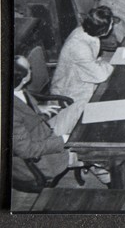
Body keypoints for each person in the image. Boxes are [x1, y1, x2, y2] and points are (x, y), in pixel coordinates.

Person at [12, 55, 91, 186]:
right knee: (94, 152)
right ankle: (109, 180)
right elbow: (27, 150)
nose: (32, 69)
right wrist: (63, 140)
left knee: (81, 105)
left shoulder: (15, 88)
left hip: (43, 129)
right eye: (29, 68)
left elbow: (24, 107)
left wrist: (38, 108)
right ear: (23, 78)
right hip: (42, 159)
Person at [50, 6, 117, 105]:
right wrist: (105, 64)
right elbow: (101, 76)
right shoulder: (80, 48)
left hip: (82, 76)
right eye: (111, 24)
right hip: (70, 91)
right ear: (104, 30)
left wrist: (99, 64)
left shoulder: (84, 30)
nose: (112, 26)